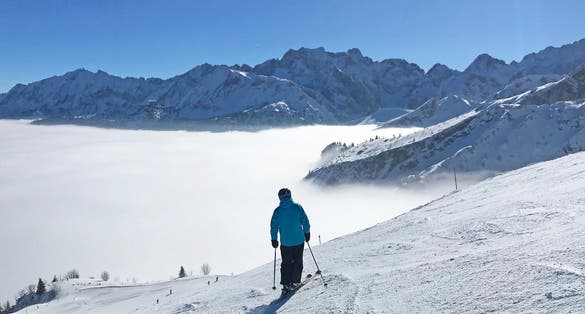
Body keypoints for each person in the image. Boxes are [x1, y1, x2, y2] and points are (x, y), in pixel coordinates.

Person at [270, 188, 311, 294]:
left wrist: (274, 239)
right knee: (298, 261)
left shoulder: (278, 211)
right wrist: (307, 233)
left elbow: (273, 226)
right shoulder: (297, 207)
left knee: (286, 263)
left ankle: (286, 283)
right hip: (298, 240)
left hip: (285, 242)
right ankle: (295, 281)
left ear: (280, 197)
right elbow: (305, 221)